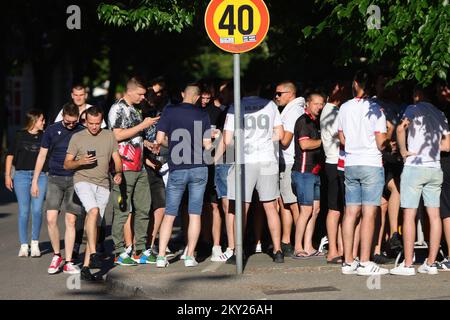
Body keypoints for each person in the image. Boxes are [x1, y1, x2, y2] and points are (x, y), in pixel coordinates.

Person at [390, 86, 450, 276]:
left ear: (417, 95)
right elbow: (447, 145)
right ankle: (431, 263)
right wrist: (430, 147)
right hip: (434, 167)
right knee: (434, 215)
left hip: (415, 166)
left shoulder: (412, 109)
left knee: (409, 214)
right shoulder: (440, 114)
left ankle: (408, 264)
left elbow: (401, 128)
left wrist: (403, 150)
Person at [224, 80, 285, 264]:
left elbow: (227, 140)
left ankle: (239, 252)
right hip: (267, 159)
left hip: (245, 160)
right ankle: (278, 250)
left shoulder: (236, 106)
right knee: (271, 207)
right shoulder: (270, 105)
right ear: (259, 87)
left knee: (242, 208)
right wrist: (265, 140)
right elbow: (280, 134)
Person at [337, 70, 389, 276]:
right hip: (370, 163)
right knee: (369, 213)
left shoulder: (344, 107)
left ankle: (348, 261)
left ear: (355, 84)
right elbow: (380, 142)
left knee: (350, 212)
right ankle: (365, 262)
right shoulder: (377, 109)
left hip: (351, 162)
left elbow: (342, 138)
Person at [155, 84, 212, 268]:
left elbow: (159, 139)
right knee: (195, 213)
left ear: (182, 94)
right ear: (197, 98)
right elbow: (206, 144)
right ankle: (189, 256)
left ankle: (161, 256)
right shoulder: (203, 114)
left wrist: (172, 143)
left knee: (170, 213)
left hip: (177, 168)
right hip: (198, 167)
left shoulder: (170, 111)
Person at [64, 106, 122, 281]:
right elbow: (67, 164)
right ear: (85, 121)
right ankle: (95, 252)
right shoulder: (77, 137)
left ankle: (87, 266)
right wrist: (80, 161)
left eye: (97, 123)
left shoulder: (109, 135)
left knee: (94, 224)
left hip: (103, 184)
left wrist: (118, 173)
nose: (94, 127)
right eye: (91, 123)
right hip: (82, 180)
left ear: (101, 121)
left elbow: (117, 159)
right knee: (93, 211)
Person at [108, 77, 159, 266]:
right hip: (123, 166)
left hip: (139, 166)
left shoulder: (136, 109)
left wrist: (147, 144)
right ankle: (119, 251)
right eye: (141, 94)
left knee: (144, 208)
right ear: (130, 91)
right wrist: (143, 126)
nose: (144, 97)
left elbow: (135, 136)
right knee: (122, 210)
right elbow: (117, 135)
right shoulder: (117, 108)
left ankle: (140, 250)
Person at [31, 102, 84, 274]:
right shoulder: (51, 130)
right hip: (54, 178)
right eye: (68, 122)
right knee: (51, 218)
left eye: (73, 122)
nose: (70, 125)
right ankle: (56, 255)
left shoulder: (82, 130)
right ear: (63, 117)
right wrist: (35, 180)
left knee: (71, 220)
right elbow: (42, 155)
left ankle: (68, 261)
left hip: (75, 179)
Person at [5, 110, 48, 257]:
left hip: (41, 177)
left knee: (37, 210)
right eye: (42, 120)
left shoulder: (45, 136)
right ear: (34, 120)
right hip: (21, 176)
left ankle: (35, 243)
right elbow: (10, 155)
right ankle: (24, 245)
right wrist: (7, 175)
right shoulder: (19, 135)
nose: (44, 122)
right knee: (24, 212)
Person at [291, 92, 325, 258]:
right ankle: (298, 247)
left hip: (315, 172)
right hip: (303, 172)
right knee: (305, 210)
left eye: (321, 104)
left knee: (315, 210)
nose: (319, 107)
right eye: (316, 103)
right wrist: (324, 141)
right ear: (308, 104)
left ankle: (309, 245)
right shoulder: (303, 121)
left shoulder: (316, 122)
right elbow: (304, 144)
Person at [320, 80, 350, 264]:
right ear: (337, 89)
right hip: (334, 162)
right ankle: (333, 250)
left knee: (339, 208)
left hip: (336, 162)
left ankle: (340, 248)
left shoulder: (333, 111)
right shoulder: (331, 112)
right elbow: (342, 137)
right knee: (335, 209)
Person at [274, 81, 305, 257]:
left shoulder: (293, 111)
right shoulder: (289, 109)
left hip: (290, 161)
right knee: (285, 203)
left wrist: (268, 132)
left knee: (293, 204)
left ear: (290, 93)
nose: (276, 96)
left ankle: (299, 244)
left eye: (280, 93)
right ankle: (286, 240)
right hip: (284, 161)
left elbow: (285, 140)